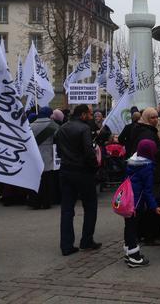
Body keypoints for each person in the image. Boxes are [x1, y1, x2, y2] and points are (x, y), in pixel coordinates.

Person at [54, 104, 100, 256]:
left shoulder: (62, 128)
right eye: (90, 114)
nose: (92, 116)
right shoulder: (84, 128)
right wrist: (94, 167)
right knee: (90, 206)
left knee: (67, 209)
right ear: (83, 115)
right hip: (83, 172)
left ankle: (66, 245)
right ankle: (86, 240)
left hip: (66, 170)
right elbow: (89, 152)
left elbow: (59, 150)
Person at [129, 107, 160, 246]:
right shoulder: (146, 132)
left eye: (156, 117)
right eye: (152, 117)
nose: (155, 119)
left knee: (147, 203)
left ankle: (143, 234)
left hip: (146, 170)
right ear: (146, 118)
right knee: (151, 202)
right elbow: (153, 152)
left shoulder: (142, 129)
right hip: (150, 172)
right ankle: (150, 235)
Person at [123, 139, 158, 268]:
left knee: (128, 227)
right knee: (133, 229)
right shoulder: (147, 167)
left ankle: (128, 252)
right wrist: (154, 207)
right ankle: (134, 257)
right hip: (136, 203)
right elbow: (148, 191)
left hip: (127, 200)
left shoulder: (132, 163)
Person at [29, 107, 60, 209]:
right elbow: (58, 138)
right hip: (48, 155)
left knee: (36, 181)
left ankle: (35, 202)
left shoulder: (30, 125)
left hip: (34, 156)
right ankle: (46, 202)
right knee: (47, 181)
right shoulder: (53, 125)